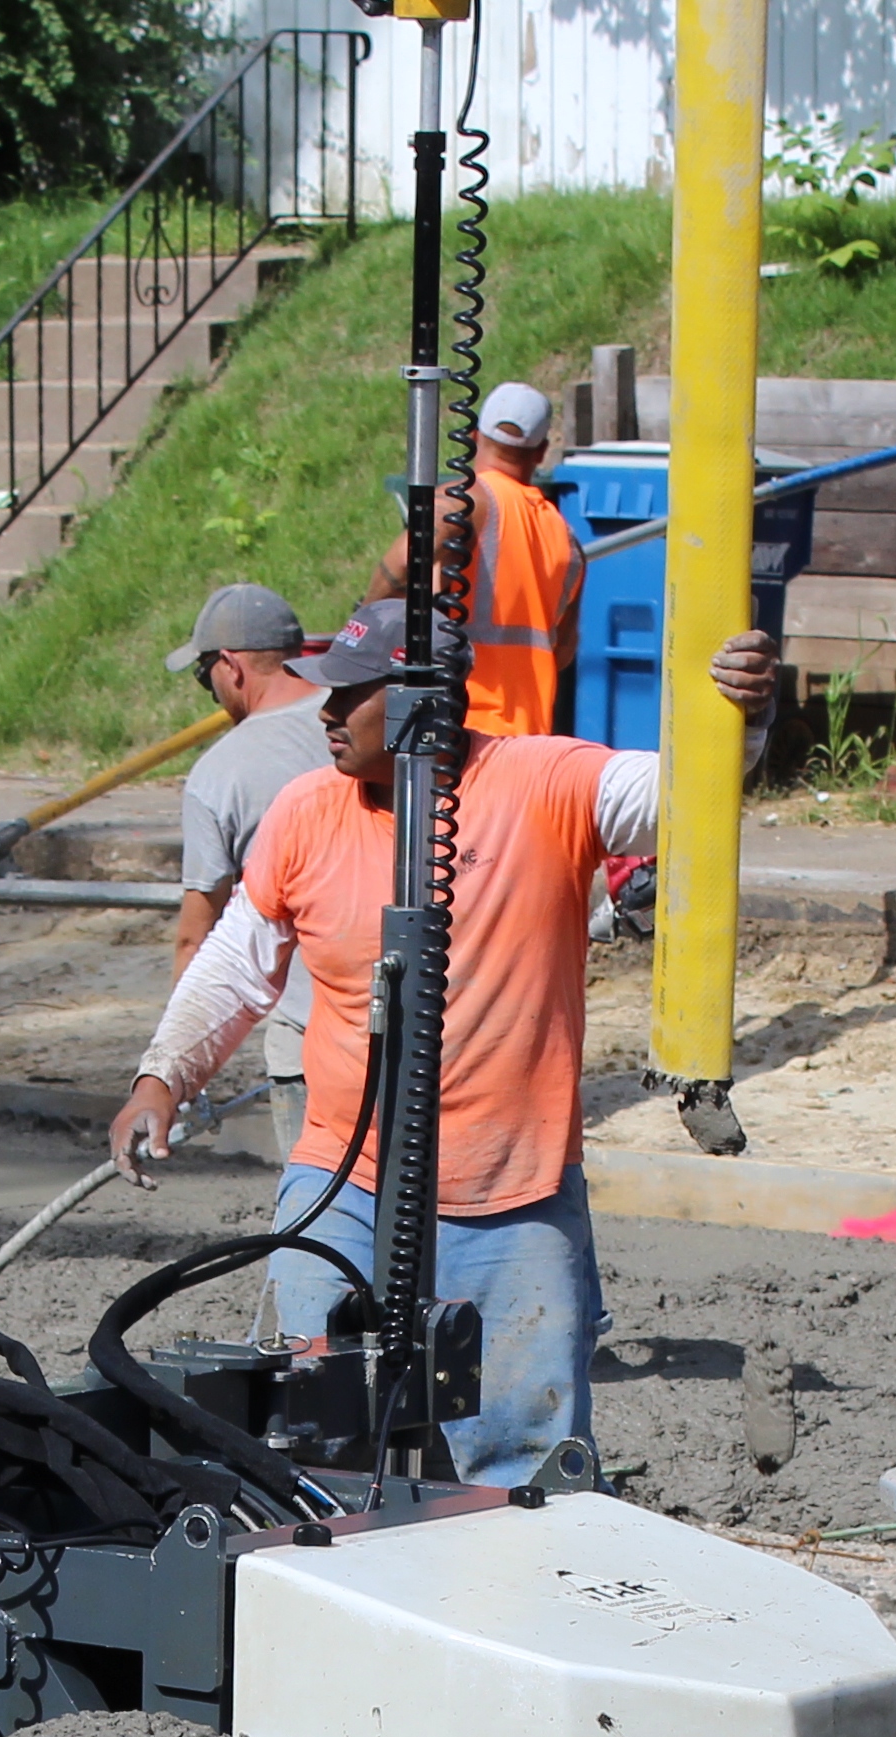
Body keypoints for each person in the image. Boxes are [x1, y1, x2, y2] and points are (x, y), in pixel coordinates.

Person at [107, 598, 776, 1488]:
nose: (326, 713)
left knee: (525, 1459)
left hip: (510, 1184)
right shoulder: (307, 810)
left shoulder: (543, 783)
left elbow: (681, 802)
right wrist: (162, 1077)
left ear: (422, 701)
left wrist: (743, 719)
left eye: (349, 695)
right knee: (312, 1428)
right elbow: (236, 963)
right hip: (343, 1176)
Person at [167, 582, 327, 1166]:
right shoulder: (366, 719)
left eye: (203, 673)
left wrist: (181, 1071)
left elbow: (197, 937)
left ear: (231, 667)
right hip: (430, 1024)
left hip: (313, 1039)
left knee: (323, 1211)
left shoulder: (220, 774)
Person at [366, 380, 583, 740]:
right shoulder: (567, 540)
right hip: (530, 742)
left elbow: (404, 562)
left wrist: (361, 628)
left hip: (459, 733)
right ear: (542, 452)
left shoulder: (464, 501)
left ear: (473, 435)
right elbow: (563, 652)